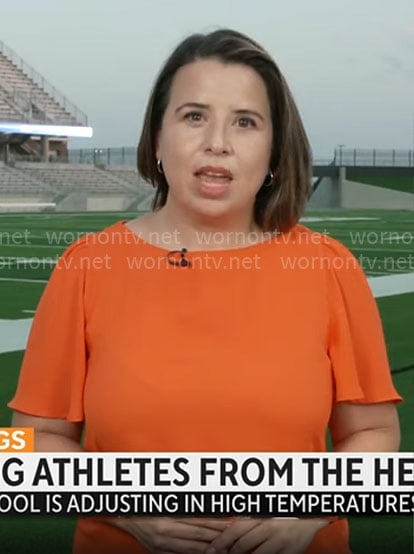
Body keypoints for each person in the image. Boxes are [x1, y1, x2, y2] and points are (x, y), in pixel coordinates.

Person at [9, 28, 401, 554]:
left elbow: (375, 437)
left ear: (274, 148)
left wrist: (312, 506)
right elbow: (28, 447)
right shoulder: (85, 268)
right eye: (194, 116)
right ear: (156, 136)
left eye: (245, 122)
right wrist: (125, 505)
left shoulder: (329, 268)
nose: (217, 141)